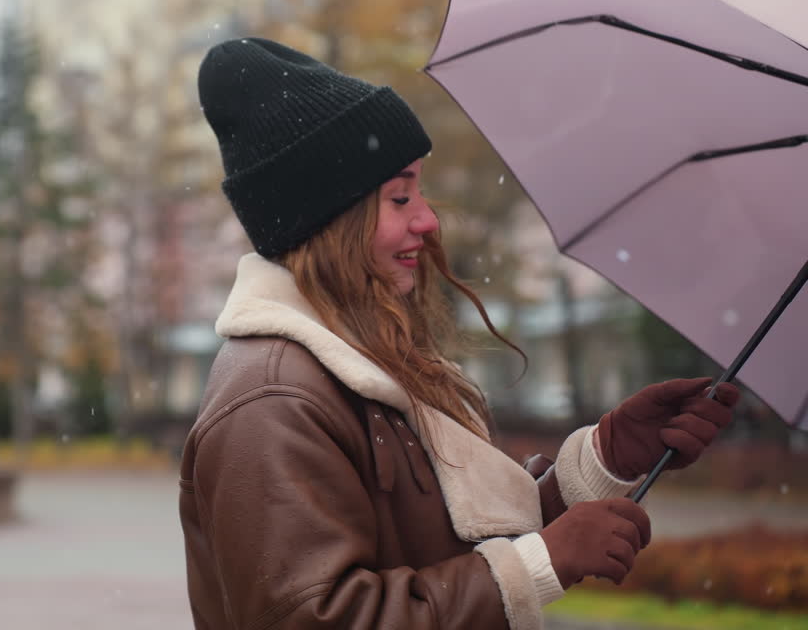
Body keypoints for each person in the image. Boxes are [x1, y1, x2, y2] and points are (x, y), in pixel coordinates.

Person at [178, 37, 740, 630]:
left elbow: (449, 542)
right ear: (328, 219)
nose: (427, 219)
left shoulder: (356, 363)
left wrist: (605, 457)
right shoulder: (275, 399)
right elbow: (319, 619)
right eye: (399, 197)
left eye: (420, 192)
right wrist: (541, 562)